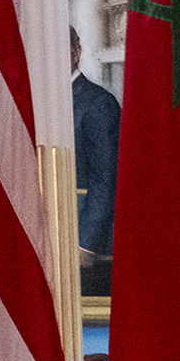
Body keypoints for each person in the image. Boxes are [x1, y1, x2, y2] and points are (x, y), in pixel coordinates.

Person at [71, 27, 120, 296]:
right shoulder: (37, 100)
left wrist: (85, 243)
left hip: (84, 248)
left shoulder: (98, 104)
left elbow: (106, 179)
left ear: (76, 52)